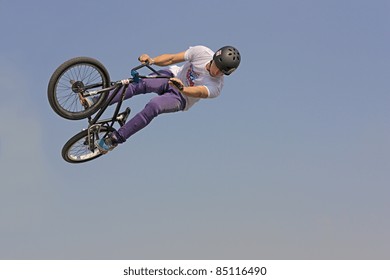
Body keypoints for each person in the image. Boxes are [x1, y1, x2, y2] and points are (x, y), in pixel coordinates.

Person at [95, 45, 241, 154]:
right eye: (218, 67)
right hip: (172, 76)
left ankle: (115, 139)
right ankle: (96, 101)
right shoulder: (201, 52)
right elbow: (172, 58)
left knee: (154, 106)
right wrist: (152, 60)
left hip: (181, 97)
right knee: (139, 84)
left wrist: (182, 89)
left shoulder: (217, 86)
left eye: (222, 72)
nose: (217, 73)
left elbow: (199, 92)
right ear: (214, 58)